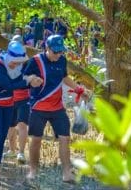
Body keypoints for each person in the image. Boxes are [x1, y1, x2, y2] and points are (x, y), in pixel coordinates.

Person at [24, 34, 89, 182]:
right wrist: (32, 80)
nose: (59, 55)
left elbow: (64, 77)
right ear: (47, 48)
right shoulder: (36, 61)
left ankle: (67, 173)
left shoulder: (62, 60)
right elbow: (23, 77)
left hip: (57, 107)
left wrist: (79, 89)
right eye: (56, 52)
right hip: (38, 107)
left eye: (61, 51)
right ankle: (33, 170)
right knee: (36, 139)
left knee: (65, 138)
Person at [0, 41, 42, 187]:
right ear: (9, 57)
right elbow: (9, 85)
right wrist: (28, 81)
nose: (16, 65)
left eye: (19, 62)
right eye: (14, 62)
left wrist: (34, 79)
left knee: (2, 137)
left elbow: (23, 78)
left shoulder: (20, 65)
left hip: (8, 103)